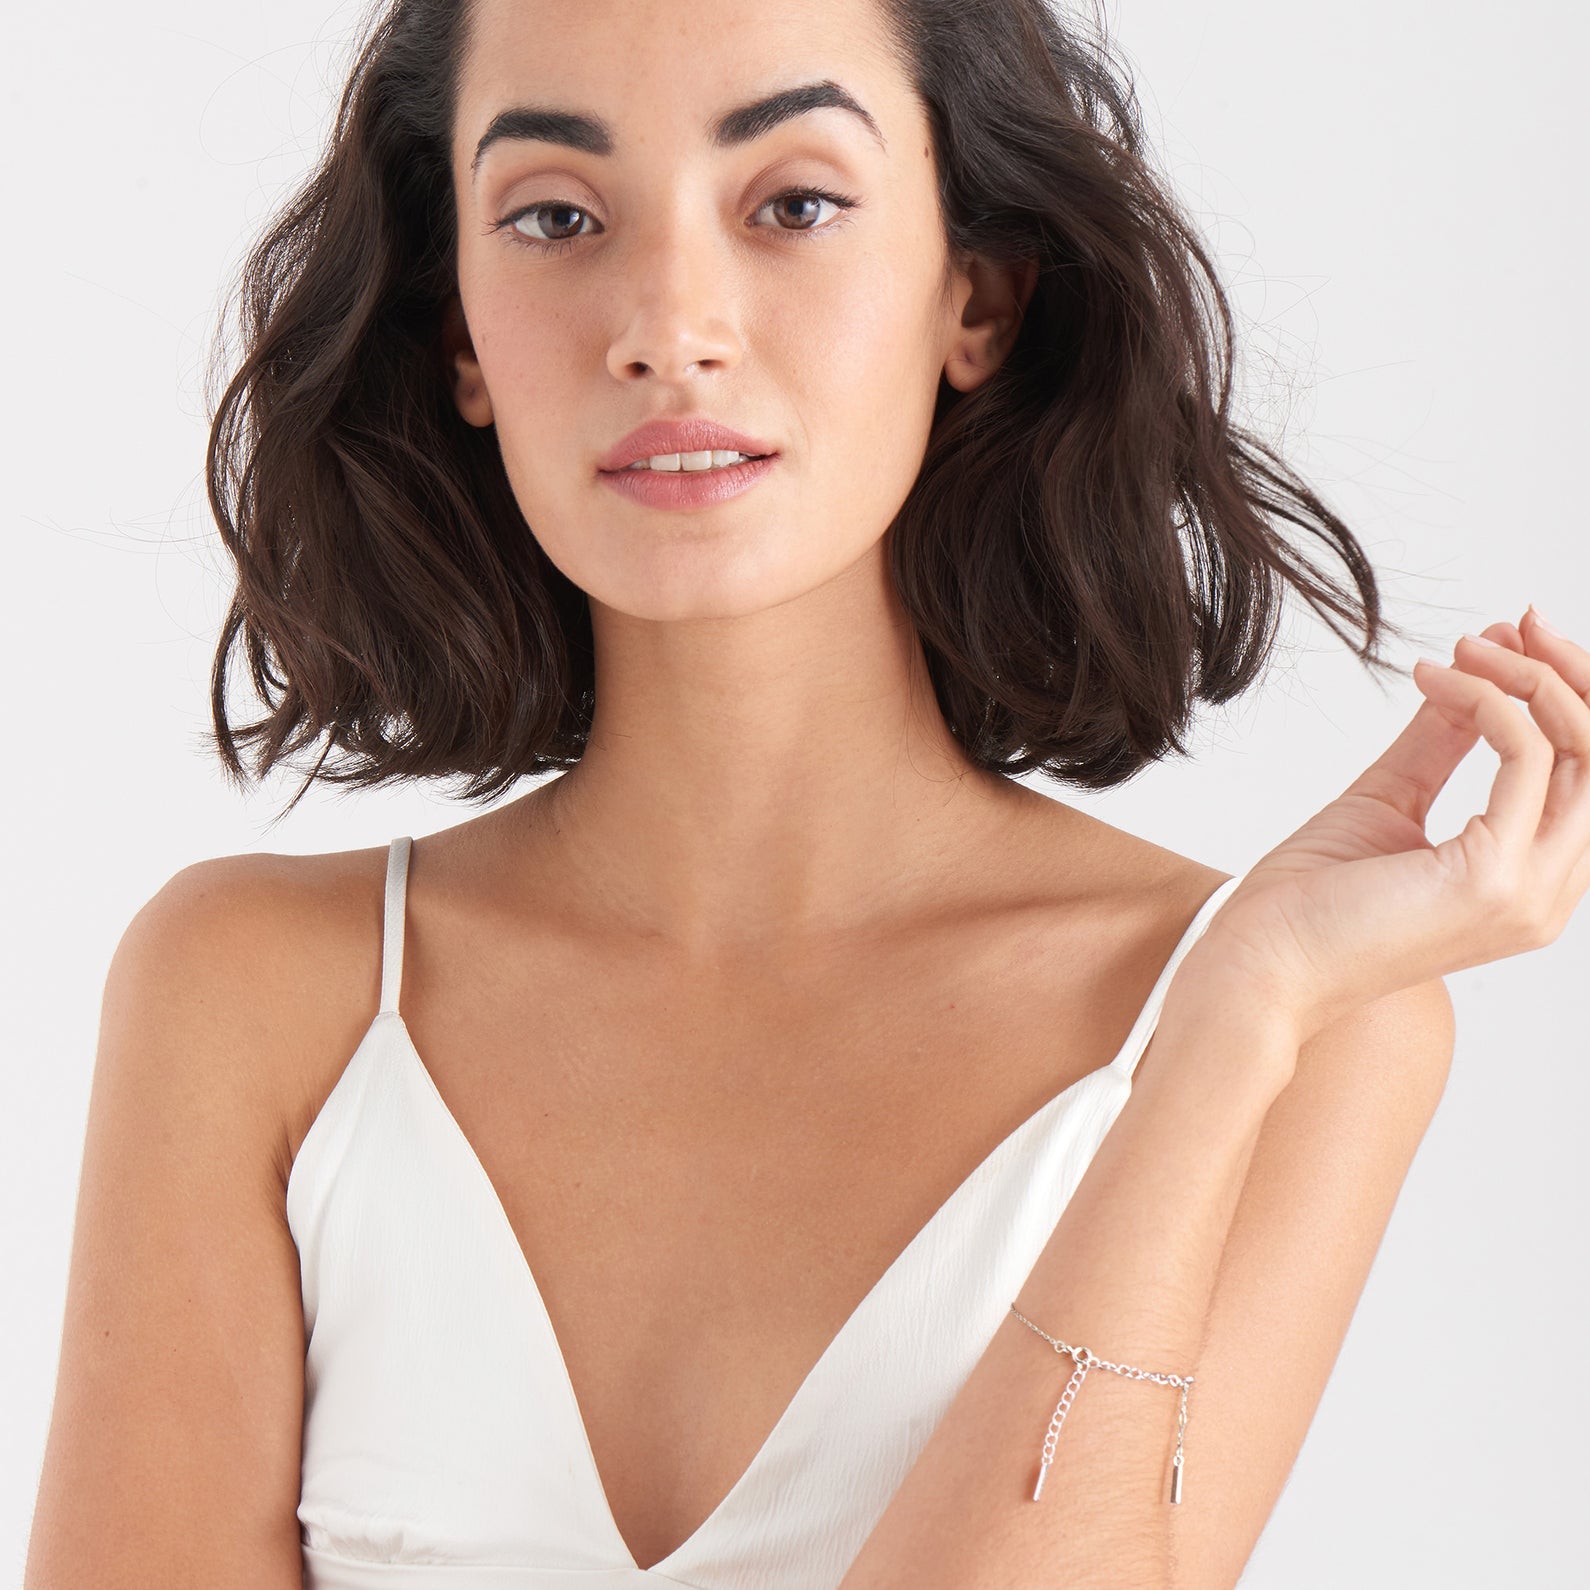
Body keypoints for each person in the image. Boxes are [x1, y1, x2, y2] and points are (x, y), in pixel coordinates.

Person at [25, 0, 1588, 1584]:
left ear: (974, 296)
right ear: (460, 333)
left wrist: (1229, 1022)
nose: (668, 325)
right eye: (555, 217)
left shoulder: (1294, 1028)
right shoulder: (259, 1000)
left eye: (792, 203)